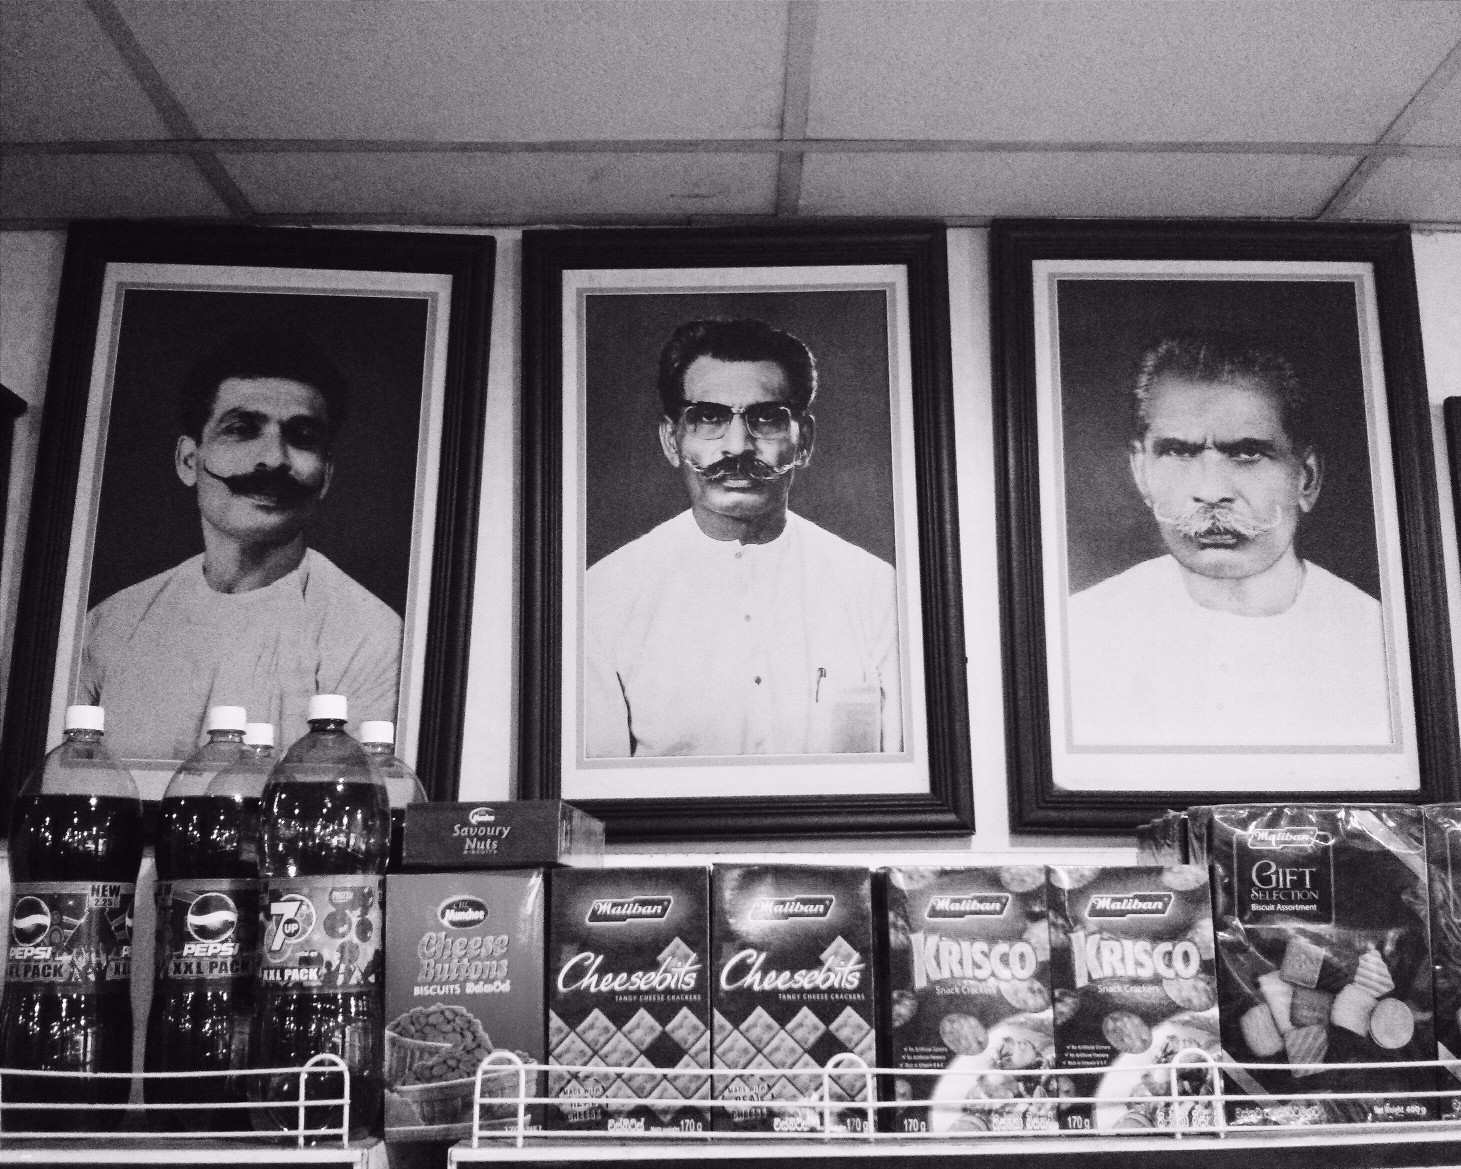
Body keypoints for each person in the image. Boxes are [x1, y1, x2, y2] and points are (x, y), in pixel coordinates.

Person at [584, 317, 902, 759]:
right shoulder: (604, 597)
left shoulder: (876, 591)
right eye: (708, 417)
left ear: (804, 441)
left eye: (766, 418)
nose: (737, 446)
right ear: (671, 441)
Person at [78, 328, 402, 760]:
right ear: (189, 460)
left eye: (302, 437)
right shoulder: (112, 624)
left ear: (326, 476)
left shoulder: (372, 637)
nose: (274, 458)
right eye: (242, 430)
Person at [1065, 332, 1393, 747]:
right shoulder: (1081, 632)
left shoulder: (1377, 642)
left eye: (1247, 453)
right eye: (1178, 452)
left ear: (1306, 478)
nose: (1211, 491)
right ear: (1141, 472)